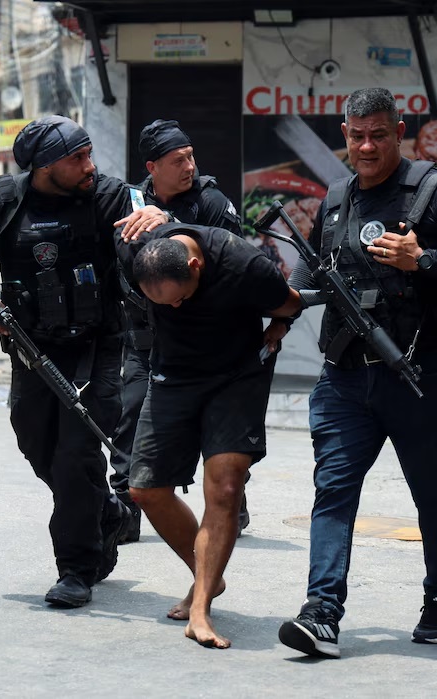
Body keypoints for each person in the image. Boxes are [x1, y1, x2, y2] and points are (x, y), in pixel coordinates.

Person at [276, 87, 437, 658]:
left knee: (430, 491)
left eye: (379, 133)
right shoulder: (335, 201)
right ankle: (322, 612)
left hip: (416, 374)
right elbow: (309, 279)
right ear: (345, 136)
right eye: (357, 135)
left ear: (398, 131)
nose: (368, 145)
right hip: (344, 378)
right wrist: (275, 305)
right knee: (332, 491)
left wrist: (422, 259)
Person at [0, 116, 165, 609]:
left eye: (88, 154)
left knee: (75, 454)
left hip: (98, 347)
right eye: (76, 159)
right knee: (36, 442)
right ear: (43, 167)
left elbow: (150, 229)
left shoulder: (108, 196)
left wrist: (159, 223)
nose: (90, 166)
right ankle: (105, 508)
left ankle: (76, 570)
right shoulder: (2, 201)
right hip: (31, 348)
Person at [117, 225, 302, 648]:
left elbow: (290, 304)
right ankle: (208, 578)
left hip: (235, 377)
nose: (176, 306)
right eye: (165, 302)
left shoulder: (244, 265)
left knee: (224, 486)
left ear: (196, 266)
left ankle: (200, 609)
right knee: (145, 489)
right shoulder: (140, 254)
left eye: (181, 296)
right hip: (172, 376)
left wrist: (278, 327)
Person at [110, 119, 245, 544]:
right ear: (152, 167)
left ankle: (232, 505)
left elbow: (234, 261)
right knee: (129, 417)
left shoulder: (211, 203)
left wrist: (168, 223)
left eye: (190, 157)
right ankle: (124, 512)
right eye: (177, 160)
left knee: (209, 425)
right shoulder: (127, 202)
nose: (189, 166)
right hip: (144, 336)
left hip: (199, 338)